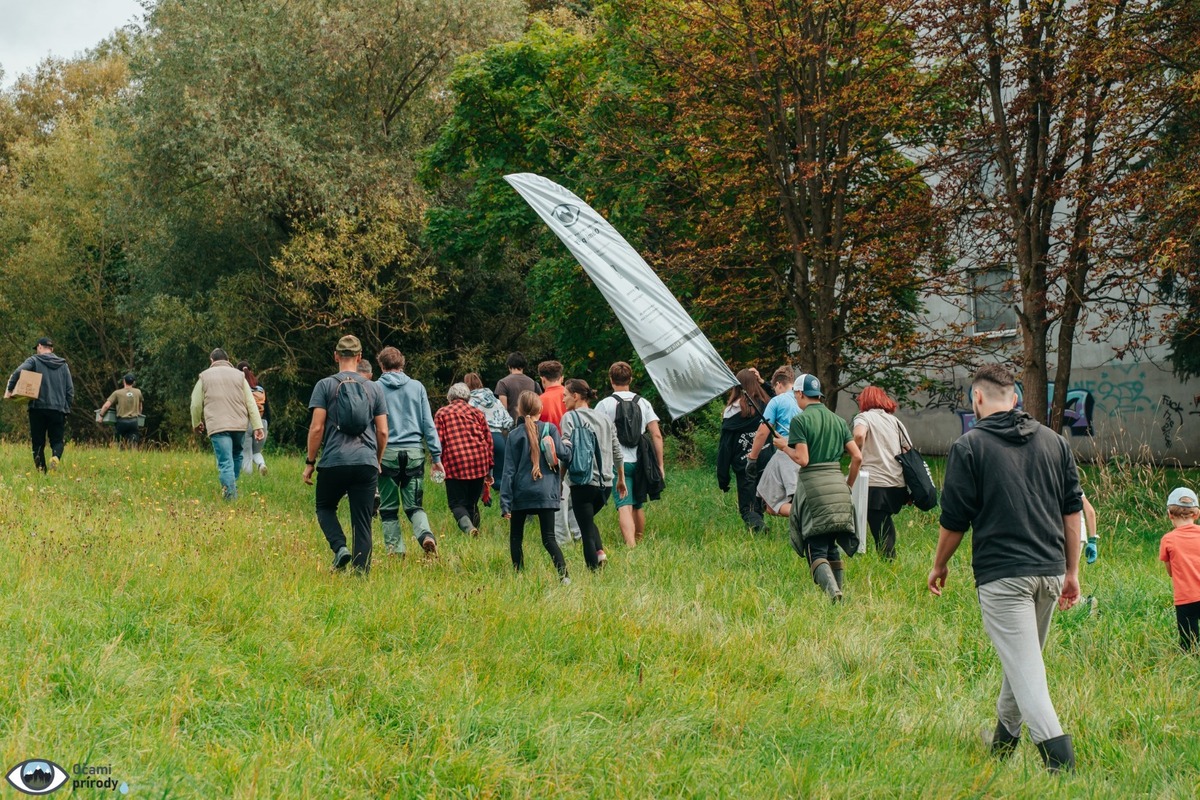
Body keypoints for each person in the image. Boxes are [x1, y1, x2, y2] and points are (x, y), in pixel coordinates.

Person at [927, 364, 1082, 774]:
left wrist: (939, 565)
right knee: (1023, 663)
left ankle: (1060, 763)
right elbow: (1073, 511)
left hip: (1003, 576)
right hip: (1050, 571)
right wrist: (1072, 572)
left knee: (1028, 671)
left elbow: (955, 519)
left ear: (977, 399)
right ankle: (1002, 745)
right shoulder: (1054, 441)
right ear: (1014, 398)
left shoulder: (970, 446)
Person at [303, 335, 387, 573]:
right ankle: (360, 576)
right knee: (362, 521)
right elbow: (382, 431)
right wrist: (377, 460)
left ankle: (340, 548)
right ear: (360, 358)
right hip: (366, 462)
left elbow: (317, 427)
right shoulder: (374, 388)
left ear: (336, 356)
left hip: (334, 461)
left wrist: (310, 462)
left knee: (325, 507)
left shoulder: (325, 385)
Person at [780, 374, 862, 602]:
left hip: (815, 489)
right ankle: (839, 592)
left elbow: (803, 459)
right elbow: (857, 456)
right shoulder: (837, 420)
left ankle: (833, 593)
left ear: (799, 393)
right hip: (838, 485)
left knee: (816, 548)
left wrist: (784, 447)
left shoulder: (800, 420)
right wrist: (848, 485)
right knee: (831, 545)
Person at [376, 347, 442, 556]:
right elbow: (427, 424)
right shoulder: (417, 387)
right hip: (414, 453)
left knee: (388, 509)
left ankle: (395, 551)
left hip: (386, 454)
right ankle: (426, 535)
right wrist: (436, 456)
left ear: (381, 365)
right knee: (415, 506)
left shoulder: (375, 388)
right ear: (402, 364)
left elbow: (373, 425)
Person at [501, 390, 573, 582]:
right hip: (545, 493)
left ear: (519, 409)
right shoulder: (551, 429)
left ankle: (519, 575)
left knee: (516, 537)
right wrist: (568, 444)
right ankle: (564, 576)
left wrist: (505, 503)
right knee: (549, 538)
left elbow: (508, 471)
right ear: (541, 408)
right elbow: (565, 455)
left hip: (521, 493)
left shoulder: (515, 435)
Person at [595, 361, 664, 547]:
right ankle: (639, 542)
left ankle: (631, 546)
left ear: (611, 380)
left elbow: (596, 434)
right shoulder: (643, 403)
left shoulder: (604, 404)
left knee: (624, 504)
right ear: (630, 379)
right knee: (638, 503)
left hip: (617, 462)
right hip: (641, 460)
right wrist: (660, 465)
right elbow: (656, 434)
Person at [562, 378, 627, 570]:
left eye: (565, 396)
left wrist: (559, 479)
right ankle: (600, 553)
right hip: (605, 486)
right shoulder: (605, 419)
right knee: (587, 520)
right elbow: (617, 450)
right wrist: (621, 479)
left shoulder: (569, 418)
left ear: (575, 396)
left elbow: (566, 453)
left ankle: (594, 571)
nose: (563, 400)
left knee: (585, 529)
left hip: (582, 483)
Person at [191, 348, 263, 500]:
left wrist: (196, 423)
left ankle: (230, 496)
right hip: (239, 425)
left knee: (225, 461)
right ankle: (231, 486)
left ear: (212, 360)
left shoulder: (204, 376)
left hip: (218, 426)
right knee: (237, 456)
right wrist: (258, 426)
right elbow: (250, 402)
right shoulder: (239, 376)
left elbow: (195, 404)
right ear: (228, 360)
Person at [851, 385, 907, 559]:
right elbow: (907, 449)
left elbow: (859, 435)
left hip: (875, 485)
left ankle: (889, 561)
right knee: (883, 521)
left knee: (880, 526)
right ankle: (888, 558)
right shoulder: (895, 421)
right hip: (897, 484)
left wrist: (855, 452)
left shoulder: (863, 417)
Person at [4, 337, 75, 472]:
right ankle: (55, 457)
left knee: (38, 443)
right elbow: (70, 390)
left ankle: (42, 472)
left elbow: (18, 371)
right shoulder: (63, 365)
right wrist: (66, 408)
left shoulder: (34, 360)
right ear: (52, 349)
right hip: (58, 409)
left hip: (37, 409)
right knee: (57, 441)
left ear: (40, 347)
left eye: (37, 348)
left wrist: (10, 389)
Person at [434, 382, 494, 537]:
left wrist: (436, 462)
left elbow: (438, 441)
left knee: (456, 503)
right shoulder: (477, 413)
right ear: (467, 398)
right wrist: (489, 466)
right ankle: (474, 534)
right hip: (479, 461)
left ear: (450, 397)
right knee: (471, 503)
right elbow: (488, 440)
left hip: (456, 463)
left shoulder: (442, 413)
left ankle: (469, 529)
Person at [717, 368, 773, 532]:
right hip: (766, 460)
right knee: (759, 502)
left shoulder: (731, 412)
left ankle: (759, 528)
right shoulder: (766, 406)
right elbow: (781, 398)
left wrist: (723, 477)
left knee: (747, 508)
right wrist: (765, 384)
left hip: (744, 465)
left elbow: (725, 448)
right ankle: (759, 526)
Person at [746, 366, 799, 519]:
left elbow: (763, 431)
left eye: (775, 389)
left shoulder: (777, 401)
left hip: (786, 451)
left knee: (770, 503)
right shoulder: (805, 398)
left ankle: (807, 516)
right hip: (808, 450)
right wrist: (762, 381)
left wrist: (752, 458)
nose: (774, 392)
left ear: (779, 385)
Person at [539, 359, 582, 546]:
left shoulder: (540, 401)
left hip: (553, 455)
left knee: (558, 496)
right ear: (561, 377)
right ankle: (579, 533)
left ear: (542, 379)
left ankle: (563, 539)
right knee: (575, 496)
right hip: (577, 451)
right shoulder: (572, 395)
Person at [1160, 487, 1200, 652]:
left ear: (1170, 514)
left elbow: (1171, 572)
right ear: (1196, 514)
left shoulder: (1168, 540)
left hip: (1186, 599)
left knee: (1189, 643)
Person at [464, 372, 511, 499]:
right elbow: (508, 422)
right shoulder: (496, 401)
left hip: (480, 439)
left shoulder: (468, 402)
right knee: (500, 479)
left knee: (479, 477)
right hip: (498, 439)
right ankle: (506, 508)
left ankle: (481, 504)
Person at [236, 361, 270, 476]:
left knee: (246, 453)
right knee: (256, 451)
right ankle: (261, 464)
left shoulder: (239, 386)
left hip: (246, 423)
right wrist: (266, 424)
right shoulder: (260, 386)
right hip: (262, 422)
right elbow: (267, 408)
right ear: (251, 371)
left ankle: (248, 478)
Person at [99, 373, 143, 449]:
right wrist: (138, 415)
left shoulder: (117, 393)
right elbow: (140, 407)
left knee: (118, 442)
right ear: (133, 382)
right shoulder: (138, 392)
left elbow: (106, 406)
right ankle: (133, 457)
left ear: (124, 381)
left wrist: (101, 416)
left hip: (121, 422)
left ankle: (118, 455)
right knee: (133, 442)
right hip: (134, 421)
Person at [494, 351, 540, 419]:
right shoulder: (534, 383)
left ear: (509, 366)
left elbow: (503, 409)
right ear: (523, 366)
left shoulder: (503, 383)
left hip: (512, 425)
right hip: (532, 423)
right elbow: (538, 406)